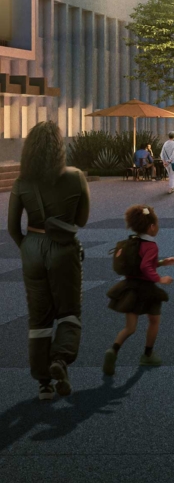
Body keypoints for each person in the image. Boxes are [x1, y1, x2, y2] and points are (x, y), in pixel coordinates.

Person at [7, 121, 90, 400]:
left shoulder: (21, 183)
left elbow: (11, 226)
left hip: (31, 247)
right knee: (69, 312)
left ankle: (43, 383)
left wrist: (28, 247)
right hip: (63, 250)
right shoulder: (76, 177)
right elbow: (81, 220)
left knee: (38, 318)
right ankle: (60, 360)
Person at [103, 205, 174, 375]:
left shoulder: (133, 242)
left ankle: (113, 350)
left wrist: (162, 262)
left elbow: (141, 264)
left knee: (130, 328)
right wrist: (160, 279)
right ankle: (147, 354)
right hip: (147, 290)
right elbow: (145, 266)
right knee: (154, 321)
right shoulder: (151, 246)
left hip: (129, 288)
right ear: (151, 227)